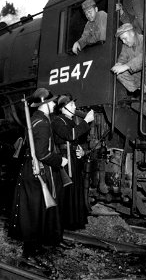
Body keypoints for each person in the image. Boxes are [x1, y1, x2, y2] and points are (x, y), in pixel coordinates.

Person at [8, 88, 68, 261]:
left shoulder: (36, 119)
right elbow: (43, 153)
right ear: (46, 104)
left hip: (33, 169)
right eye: (52, 102)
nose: (54, 105)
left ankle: (36, 248)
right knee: (34, 212)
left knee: (36, 210)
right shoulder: (42, 123)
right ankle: (29, 254)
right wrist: (60, 161)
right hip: (38, 170)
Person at [52, 94, 95, 230]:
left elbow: (74, 140)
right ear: (63, 108)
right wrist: (86, 121)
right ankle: (62, 224)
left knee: (74, 191)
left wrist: (81, 151)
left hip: (73, 160)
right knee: (66, 193)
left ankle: (72, 223)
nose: (75, 107)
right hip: (64, 161)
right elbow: (70, 135)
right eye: (71, 105)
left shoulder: (69, 121)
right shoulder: (58, 121)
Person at [111, 23, 146, 97]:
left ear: (132, 33)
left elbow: (145, 57)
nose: (123, 42)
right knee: (120, 74)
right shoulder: (126, 46)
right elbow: (122, 58)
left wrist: (126, 66)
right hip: (139, 76)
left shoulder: (145, 40)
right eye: (122, 39)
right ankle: (142, 91)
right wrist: (118, 65)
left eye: (125, 38)